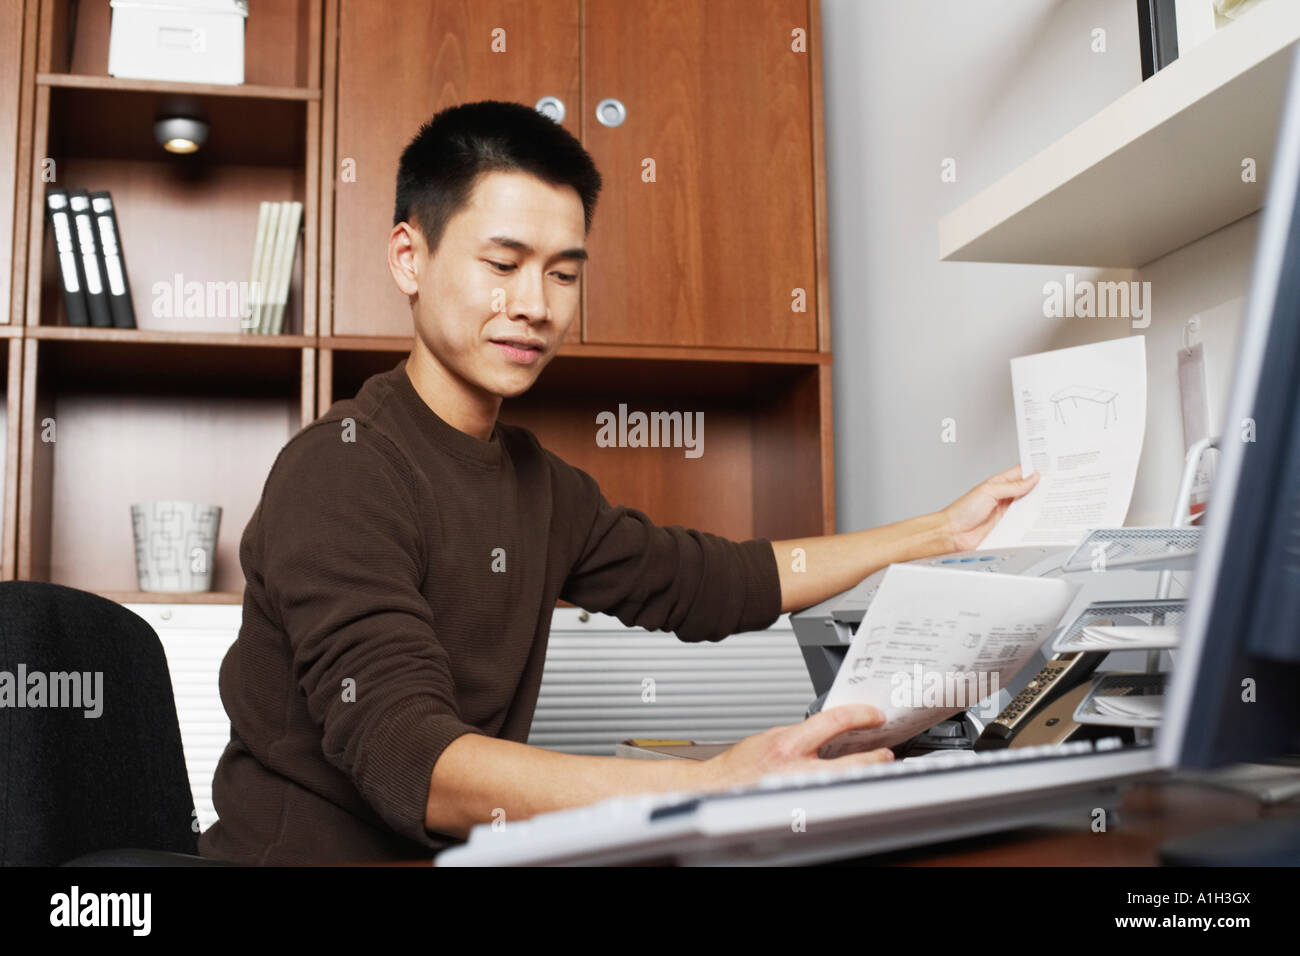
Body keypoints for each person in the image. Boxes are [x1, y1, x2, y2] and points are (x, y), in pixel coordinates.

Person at [197, 101, 1038, 864]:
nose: (535, 304)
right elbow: (415, 764)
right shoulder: (339, 469)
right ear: (408, 256)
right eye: (503, 263)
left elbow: (713, 582)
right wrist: (707, 789)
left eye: (563, 274)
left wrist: (939, 533)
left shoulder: (542, 487)